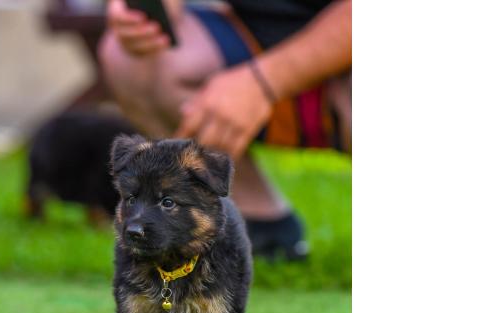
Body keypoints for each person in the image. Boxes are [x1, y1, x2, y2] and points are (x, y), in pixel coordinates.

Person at [98, 0, 351, 260]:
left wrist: (262, 81)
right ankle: (258, 226)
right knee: (128, 57)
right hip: (252, 39)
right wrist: (145, 15)